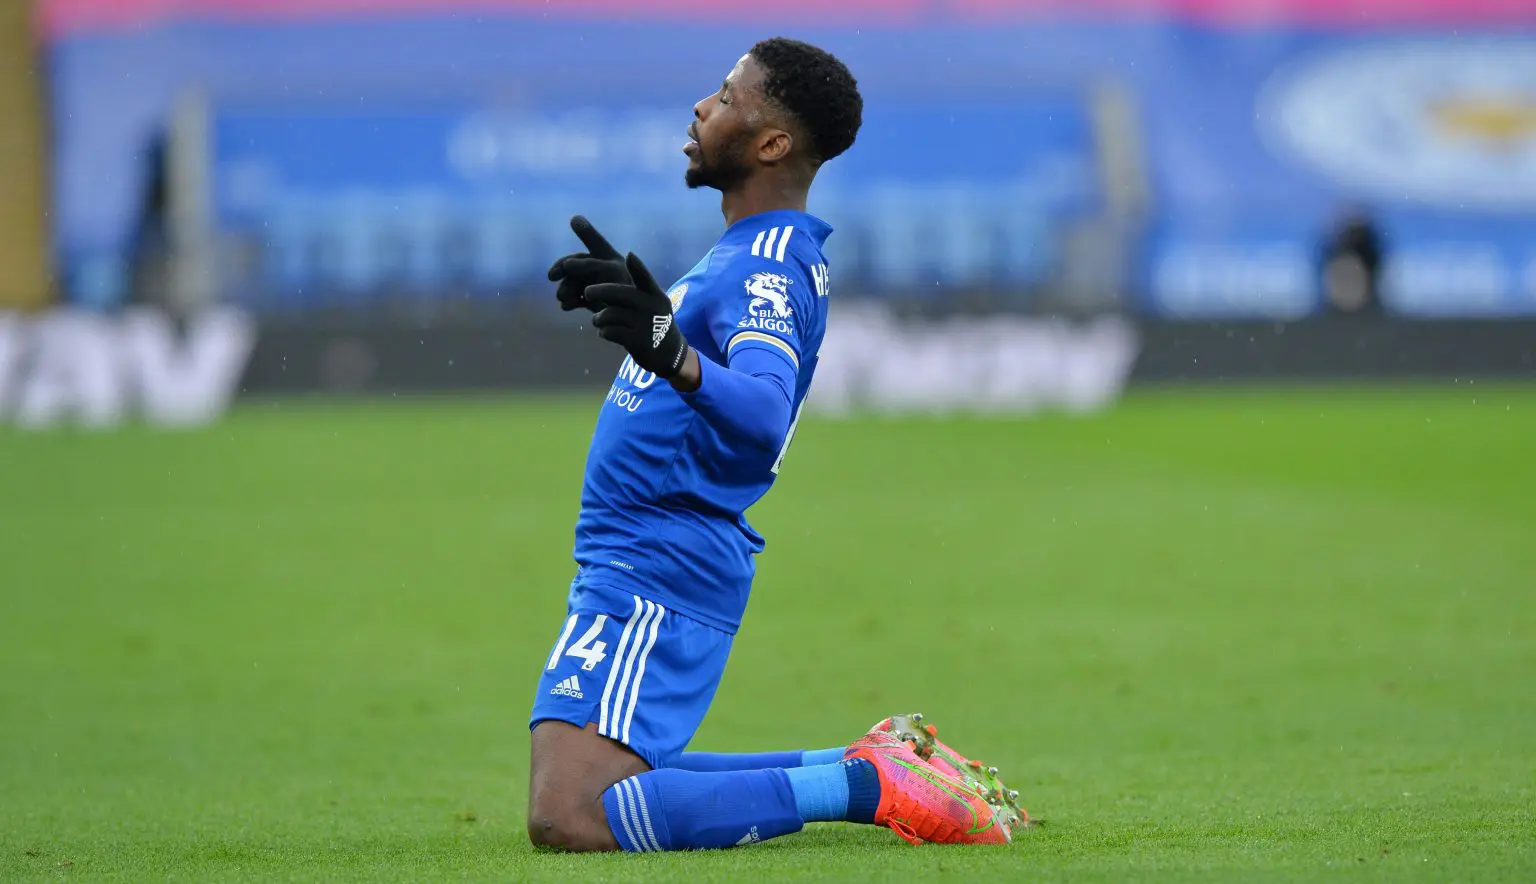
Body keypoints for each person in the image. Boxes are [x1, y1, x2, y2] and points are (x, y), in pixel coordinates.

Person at [527, 37, 1027, 853]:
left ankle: (864, 785)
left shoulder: (764, 265)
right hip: (646, 550)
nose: (703, 107)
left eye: (728, 97)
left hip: (659, 555)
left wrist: (673, 351)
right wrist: (663, 333)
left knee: (573, 813)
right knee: (605, 783)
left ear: (771, 144)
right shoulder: (749, 253)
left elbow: (761, 410)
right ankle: (871, 765)